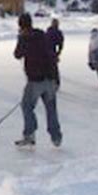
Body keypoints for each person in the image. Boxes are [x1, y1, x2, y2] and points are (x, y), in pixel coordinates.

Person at [14, 13, 62, 147]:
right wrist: (56, 79)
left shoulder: (25, 38)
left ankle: (29, 134)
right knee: (51, 109)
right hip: (50, 78)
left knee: (26, 106)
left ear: (21, 26)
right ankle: (56, 137)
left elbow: (17, 54)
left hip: (35, 80)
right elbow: (52, 56)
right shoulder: (43, 35)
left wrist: (20, 38)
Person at [46, 18, 64, 89]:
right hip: (52, 51)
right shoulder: (57, 32)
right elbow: (60, 43)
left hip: (48, 51)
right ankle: (55, 82)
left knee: (50, 67)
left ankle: (51, 82)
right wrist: (58, 52)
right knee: (54, 68)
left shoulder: (48, 31)